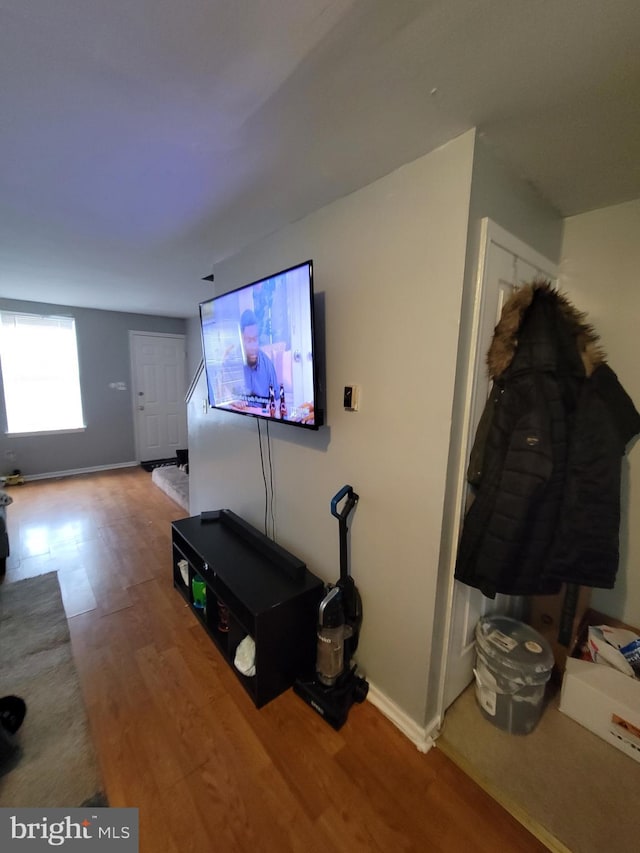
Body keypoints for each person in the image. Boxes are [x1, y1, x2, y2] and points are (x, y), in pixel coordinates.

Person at [231, 309, 279, 411]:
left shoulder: (268, 365)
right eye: (249, 340)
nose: (253, 347)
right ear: (241, 339)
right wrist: (232, 400)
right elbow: (224, 395)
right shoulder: (232, 364)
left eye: (255, 339)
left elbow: (277, 402)